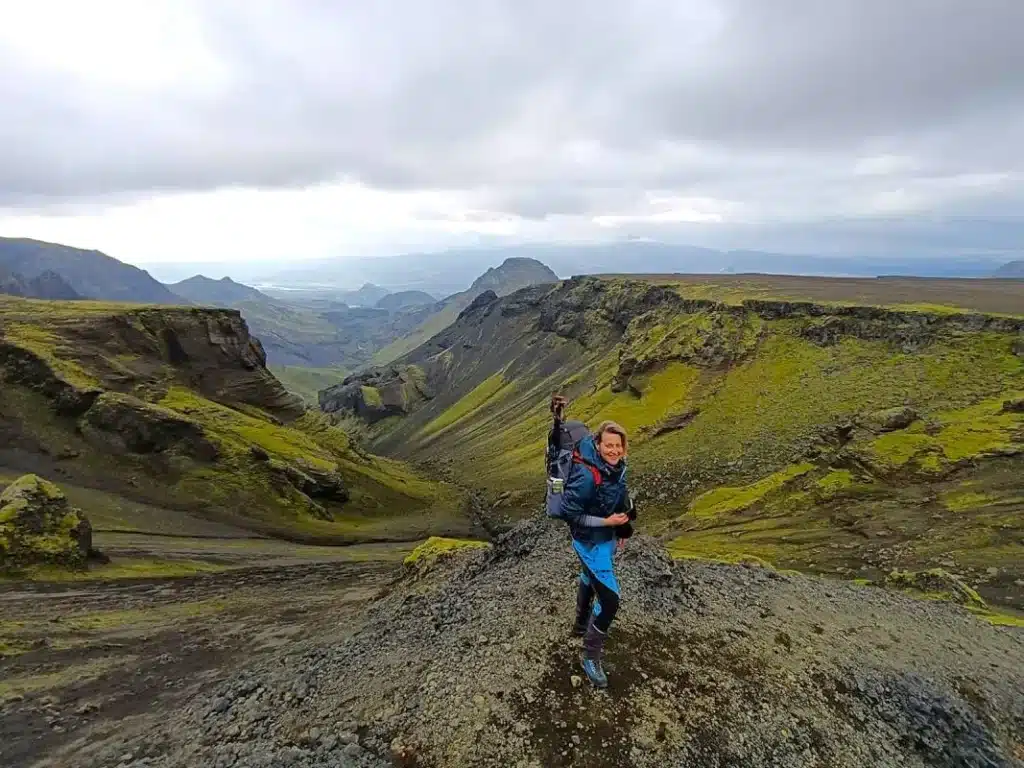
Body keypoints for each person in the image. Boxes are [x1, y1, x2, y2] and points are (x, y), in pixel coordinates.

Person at [554, 405, 634, 689]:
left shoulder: (616, 467)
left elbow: (620, 495)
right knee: (610, 602)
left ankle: (579, 625)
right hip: (588, 542)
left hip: (605, 539)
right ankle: (590, 656)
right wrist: (606, 521)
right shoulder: (587, 476)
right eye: (608, 445)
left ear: (623, 449)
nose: (613, 450)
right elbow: (569, 513)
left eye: (618, 446)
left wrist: (622, 526)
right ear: (598, 445)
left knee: (589, 577)